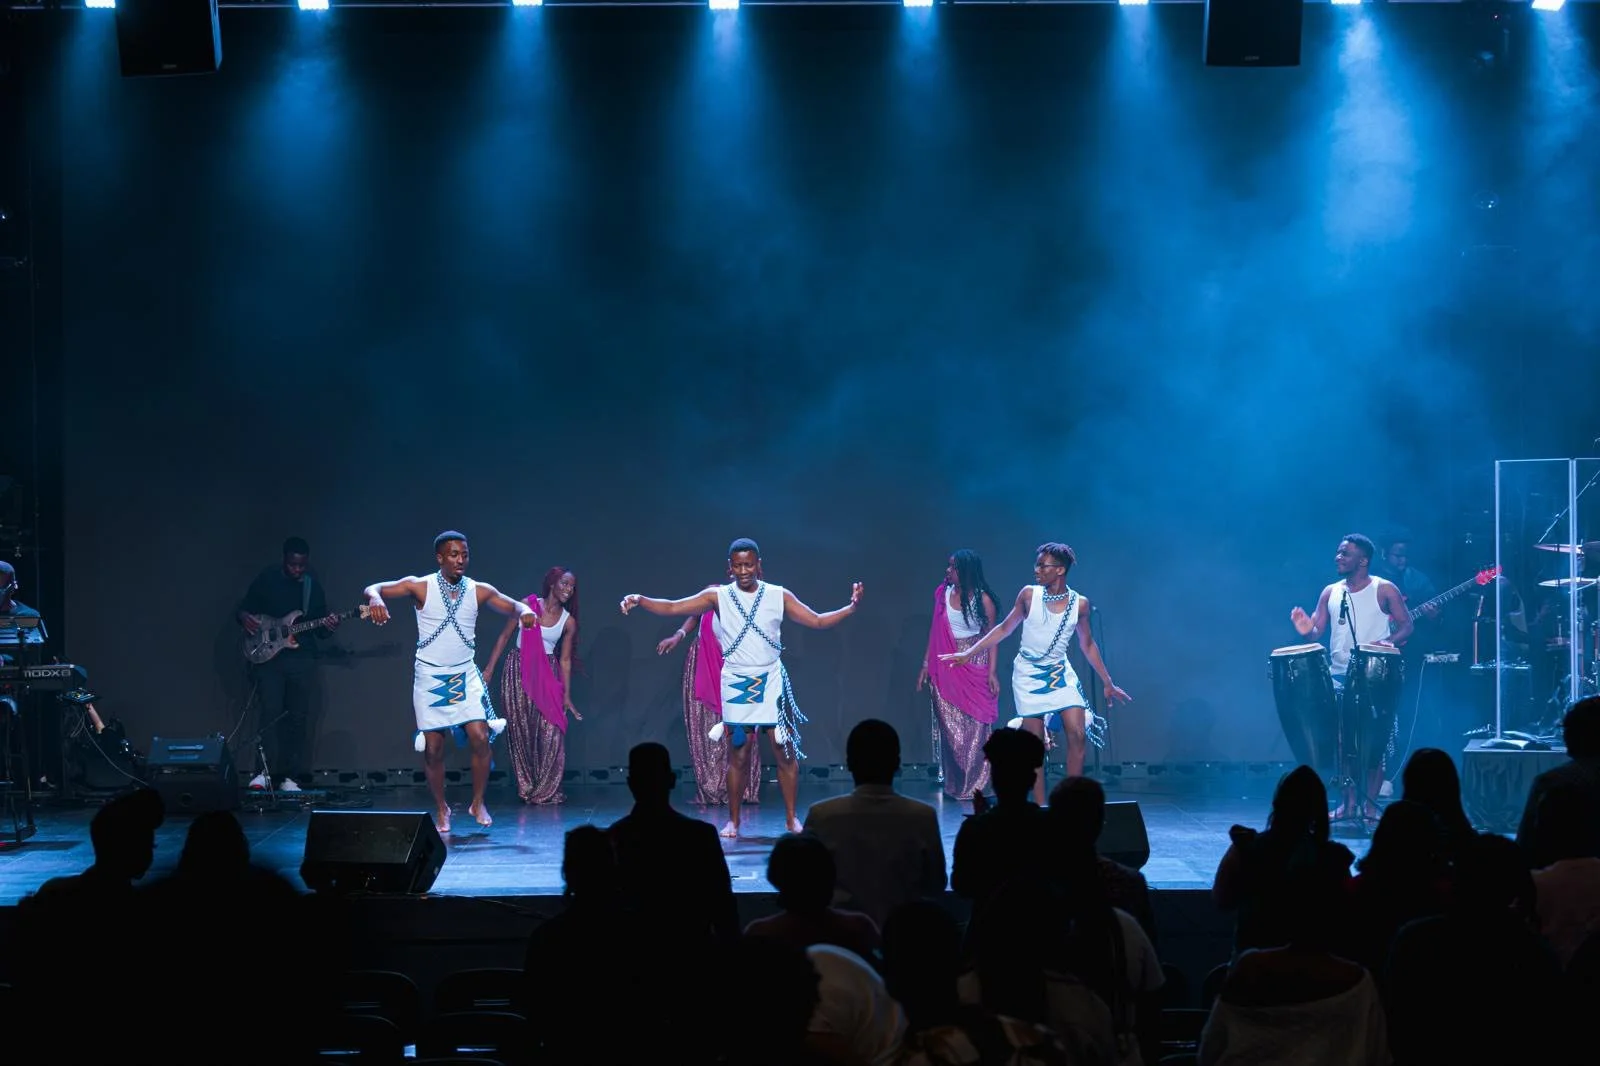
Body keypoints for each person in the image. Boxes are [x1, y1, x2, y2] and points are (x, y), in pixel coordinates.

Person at [620, 538, 863, 837]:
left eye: (749, 564)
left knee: (783, 749)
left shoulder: (778, 595)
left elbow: (816, 621)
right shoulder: (717, 596)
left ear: (759, 565)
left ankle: (790, 818)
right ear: (729, 568)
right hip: (736, 680)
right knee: (739, 753)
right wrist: (641, 599)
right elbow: (673, 607)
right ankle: (733, 820)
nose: (744, 571)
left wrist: (850, 609)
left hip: (771, 677)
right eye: (738, 566)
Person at [361, 530, 535, 834]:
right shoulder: (421, 586)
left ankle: (477, 802)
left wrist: (527, 611)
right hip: (430, 676)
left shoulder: (478, 590)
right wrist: (375, 597)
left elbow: (513, 606)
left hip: (464, 674)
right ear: (440, 557)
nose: (460, 560)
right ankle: (442, 808)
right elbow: (374, 587)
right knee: (433, 748)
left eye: (464, 554)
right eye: (453, 554)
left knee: (480, 736)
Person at [940, 542, 1131, 800]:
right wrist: (968, 653)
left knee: (1076, 734)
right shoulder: (1029, 595)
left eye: (1043, 565)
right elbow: (1005, 628)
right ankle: (1040, 807)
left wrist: (1107, 682)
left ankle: (1070, 803)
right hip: (1028, 674)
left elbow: (1087, 644)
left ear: (1060, 570)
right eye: (1037, 564)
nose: (1037, 570)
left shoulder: (1080, 604)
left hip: (1059, 674)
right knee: (1035, 746)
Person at [1290, 534, 1413, 819]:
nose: (1338, 557)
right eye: (1338, 553)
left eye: (1345, 553)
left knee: (1374, 744)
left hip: (1375, 677)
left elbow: (1407, 626)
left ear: (1363, 560)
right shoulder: (1330, 592)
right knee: (1343, 744)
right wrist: (1305, 628)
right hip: (1339, 676)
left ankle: (1370, 807)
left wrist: (1389, 642)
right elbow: (1316, 631)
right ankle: (1348, 804)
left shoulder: (1385, 589)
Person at [236, 537, 339, 792]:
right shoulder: (267, 579)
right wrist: (243, 617)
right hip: (269, 660)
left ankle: (291, 777)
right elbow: (244, 608)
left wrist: (329, 626)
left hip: (300, 659)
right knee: (269, 715)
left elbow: (319, 627)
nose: (297, 570)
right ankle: (264, 773)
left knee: (298, 718)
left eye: (302, 565)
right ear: (285, 560)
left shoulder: (311, 588)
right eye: (293, 564)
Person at [655, 574, 763, 808]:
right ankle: (712, 789)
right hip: (703, 665)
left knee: (741, 728)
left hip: (734, 668)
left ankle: (743, 789)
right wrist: (678, 635)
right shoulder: (715, 592)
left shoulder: (757, 604)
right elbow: (693, 614)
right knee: (707, 728)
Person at [485, 566, 582, 805]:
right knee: (520, 730)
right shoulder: (526, 606)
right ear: (552, 583)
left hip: (547, 674)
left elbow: (566, 660)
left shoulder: (568, 622)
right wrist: (489, 669)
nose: (568, 590)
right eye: (564, 584)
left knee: (551, 733)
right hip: (517, 669)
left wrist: (566, 696)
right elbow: (504, 637)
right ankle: (526, 787)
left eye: (572, 586)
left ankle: (546, 790)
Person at [917, 550, 1001, 801]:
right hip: (945, 663)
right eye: (948, 566)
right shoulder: (943, 594)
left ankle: (979, 784)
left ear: (965, 571)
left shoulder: (983, 600)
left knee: (976, 729)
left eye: (953, 567)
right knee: (951, 730)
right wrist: (925, 664)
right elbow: (934, 631)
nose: (947, 571)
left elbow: (992, 638)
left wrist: (992, 672)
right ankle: (956, 783)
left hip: (974, 660)